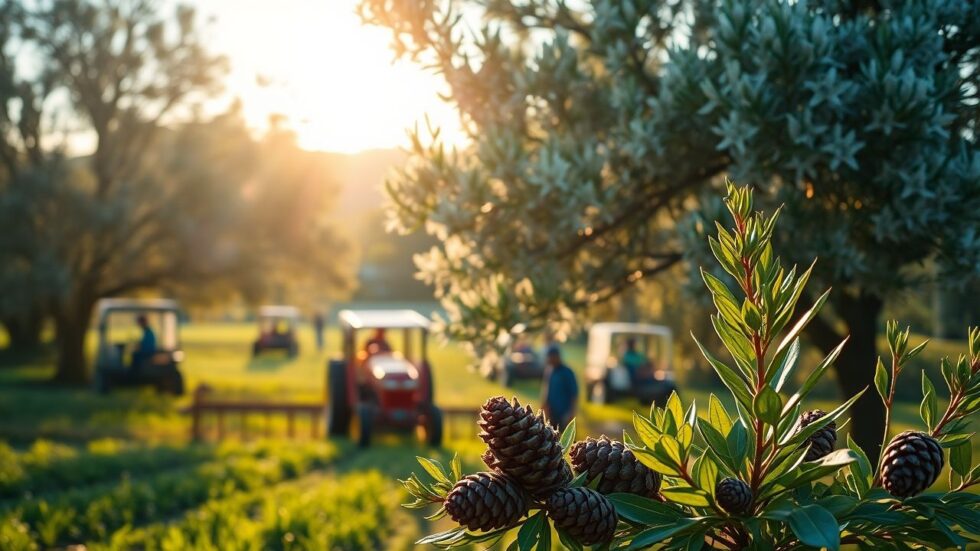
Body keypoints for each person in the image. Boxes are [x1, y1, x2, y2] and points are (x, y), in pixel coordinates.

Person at [541, 345, 578, 432]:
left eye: (551, 358)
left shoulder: (567, 372)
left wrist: (571, 413)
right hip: (552, 413)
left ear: (556, 356)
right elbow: (546, 390)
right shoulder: (549, 371)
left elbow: (574, 394)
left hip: (564, 413)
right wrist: (544, 405)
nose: (549, 360)